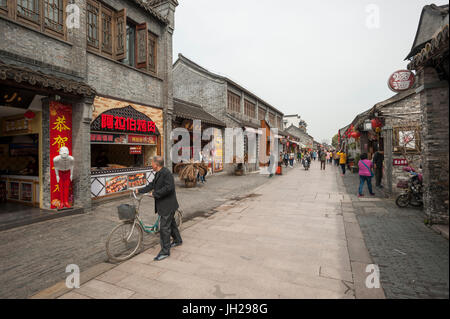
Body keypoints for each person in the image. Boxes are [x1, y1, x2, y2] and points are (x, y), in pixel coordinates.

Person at [137, 156, 182, 261]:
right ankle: (178, 240)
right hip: (164, 204)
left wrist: (155, 194)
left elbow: (169, 188)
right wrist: (140, 190)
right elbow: (152, 184)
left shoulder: (166, 173)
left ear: (156, 164)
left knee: (164, 228)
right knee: (171, 224)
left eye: (151, 163)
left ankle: (165, 251)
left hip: (168, 205)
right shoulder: (158, 173)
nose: (151, 164)